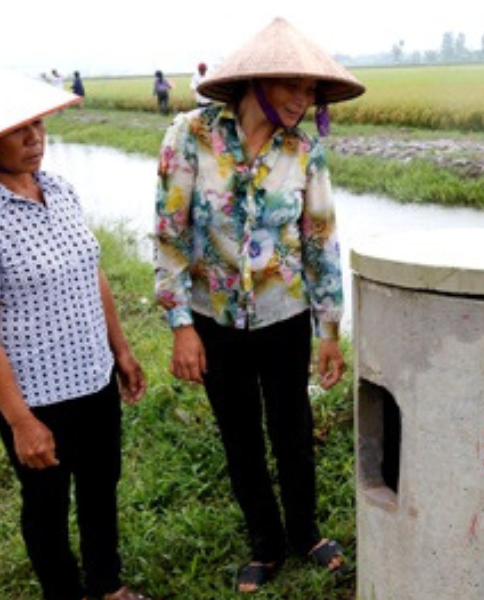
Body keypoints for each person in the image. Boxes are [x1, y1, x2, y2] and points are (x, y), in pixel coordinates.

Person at [0, 48, 151, 600]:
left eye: (37, 123)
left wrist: (122, 351)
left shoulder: (60, 192)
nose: (34, 137)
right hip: (37, 396)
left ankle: (107, 585)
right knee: (45, 503)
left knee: (99, 489)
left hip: (94, 376)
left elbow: (94, 274)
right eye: (18, 130)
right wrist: (21, 422)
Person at [153, 16, 365, 594]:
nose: (303, 100)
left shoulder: (305, 151)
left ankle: (307, 533)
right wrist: (179, 324)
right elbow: (170, 234)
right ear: (257, 82)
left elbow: (321, 240)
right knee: (239, 433)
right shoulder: (189, 136)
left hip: (285, 315)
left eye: (311, 90)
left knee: (292, 427)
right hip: (214, 320)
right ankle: (266, 546)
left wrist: (328, 329)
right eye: (291, 86)